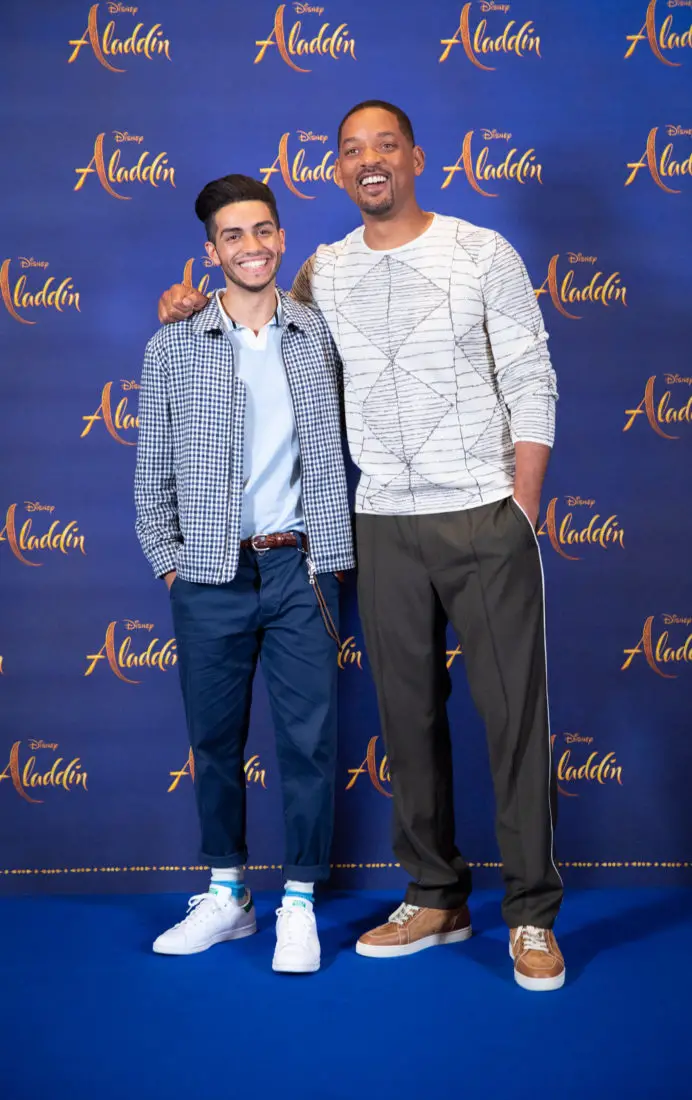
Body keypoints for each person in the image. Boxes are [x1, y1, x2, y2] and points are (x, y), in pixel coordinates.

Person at [157, 101, 565, 991]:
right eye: (351, 150)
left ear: (416, 157)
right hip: (378, 522)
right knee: (406, 720)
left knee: (513, 720)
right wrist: (189, 307)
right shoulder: (325, 271)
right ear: (338, 172)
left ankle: (532, 914)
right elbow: (260, 326)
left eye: (385, 145)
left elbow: (531, 375)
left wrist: (522, 509)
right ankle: (435, 895)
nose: (369, 160)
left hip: (483, 513)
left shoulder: (481, 251)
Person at [135, 174, 354, 974]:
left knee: (309, 742)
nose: (251, 247)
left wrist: (326, 561)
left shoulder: (320, 334)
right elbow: (151, 476)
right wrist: (175, 569)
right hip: (209, 575)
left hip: (302, 567)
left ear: (282, 238)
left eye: (263, 230)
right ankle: (227, 894)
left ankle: (298, 903)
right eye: (233, 235)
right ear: (211, 252)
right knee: (214, 740)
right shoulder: (172, 345)